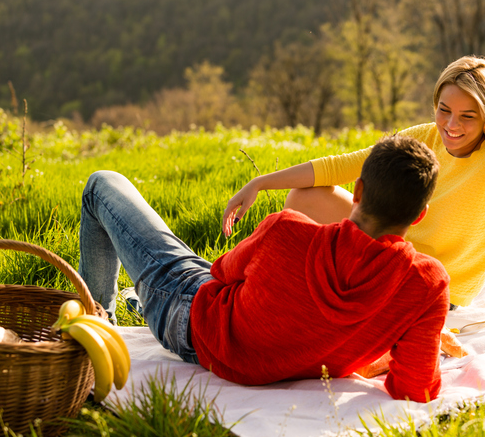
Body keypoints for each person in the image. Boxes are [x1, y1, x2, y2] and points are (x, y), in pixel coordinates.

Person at [223, 55, 485, 325]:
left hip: (429, 284)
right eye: (443, 110)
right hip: (390, 248)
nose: (451, 125)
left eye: (467, 116)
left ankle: (330, 290)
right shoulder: (424, 136)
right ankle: (312, 284)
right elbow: (346, 164)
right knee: (303, 198)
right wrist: (260, 182)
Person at [78, 135, 451, 402]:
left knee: (102, 185)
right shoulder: (427, 285)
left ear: (356, 190)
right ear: (420, 216)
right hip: (277, 355)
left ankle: (96, 328)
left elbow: (222, 273)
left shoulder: (286, 229)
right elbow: (415, 388)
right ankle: (137, 302)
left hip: (191, 324)